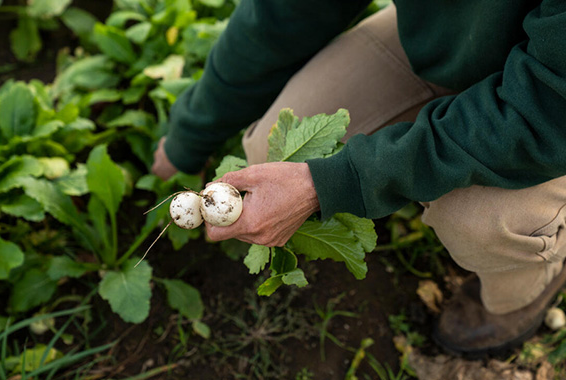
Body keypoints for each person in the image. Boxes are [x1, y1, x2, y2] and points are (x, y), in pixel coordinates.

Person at [151, 0, 566, 356]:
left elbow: (548, 109)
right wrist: (191, 133)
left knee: (481, 221)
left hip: (550, 109)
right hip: (448, 44)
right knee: (271, 145)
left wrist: (334, 182)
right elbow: (285, 13)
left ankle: (528, 283)